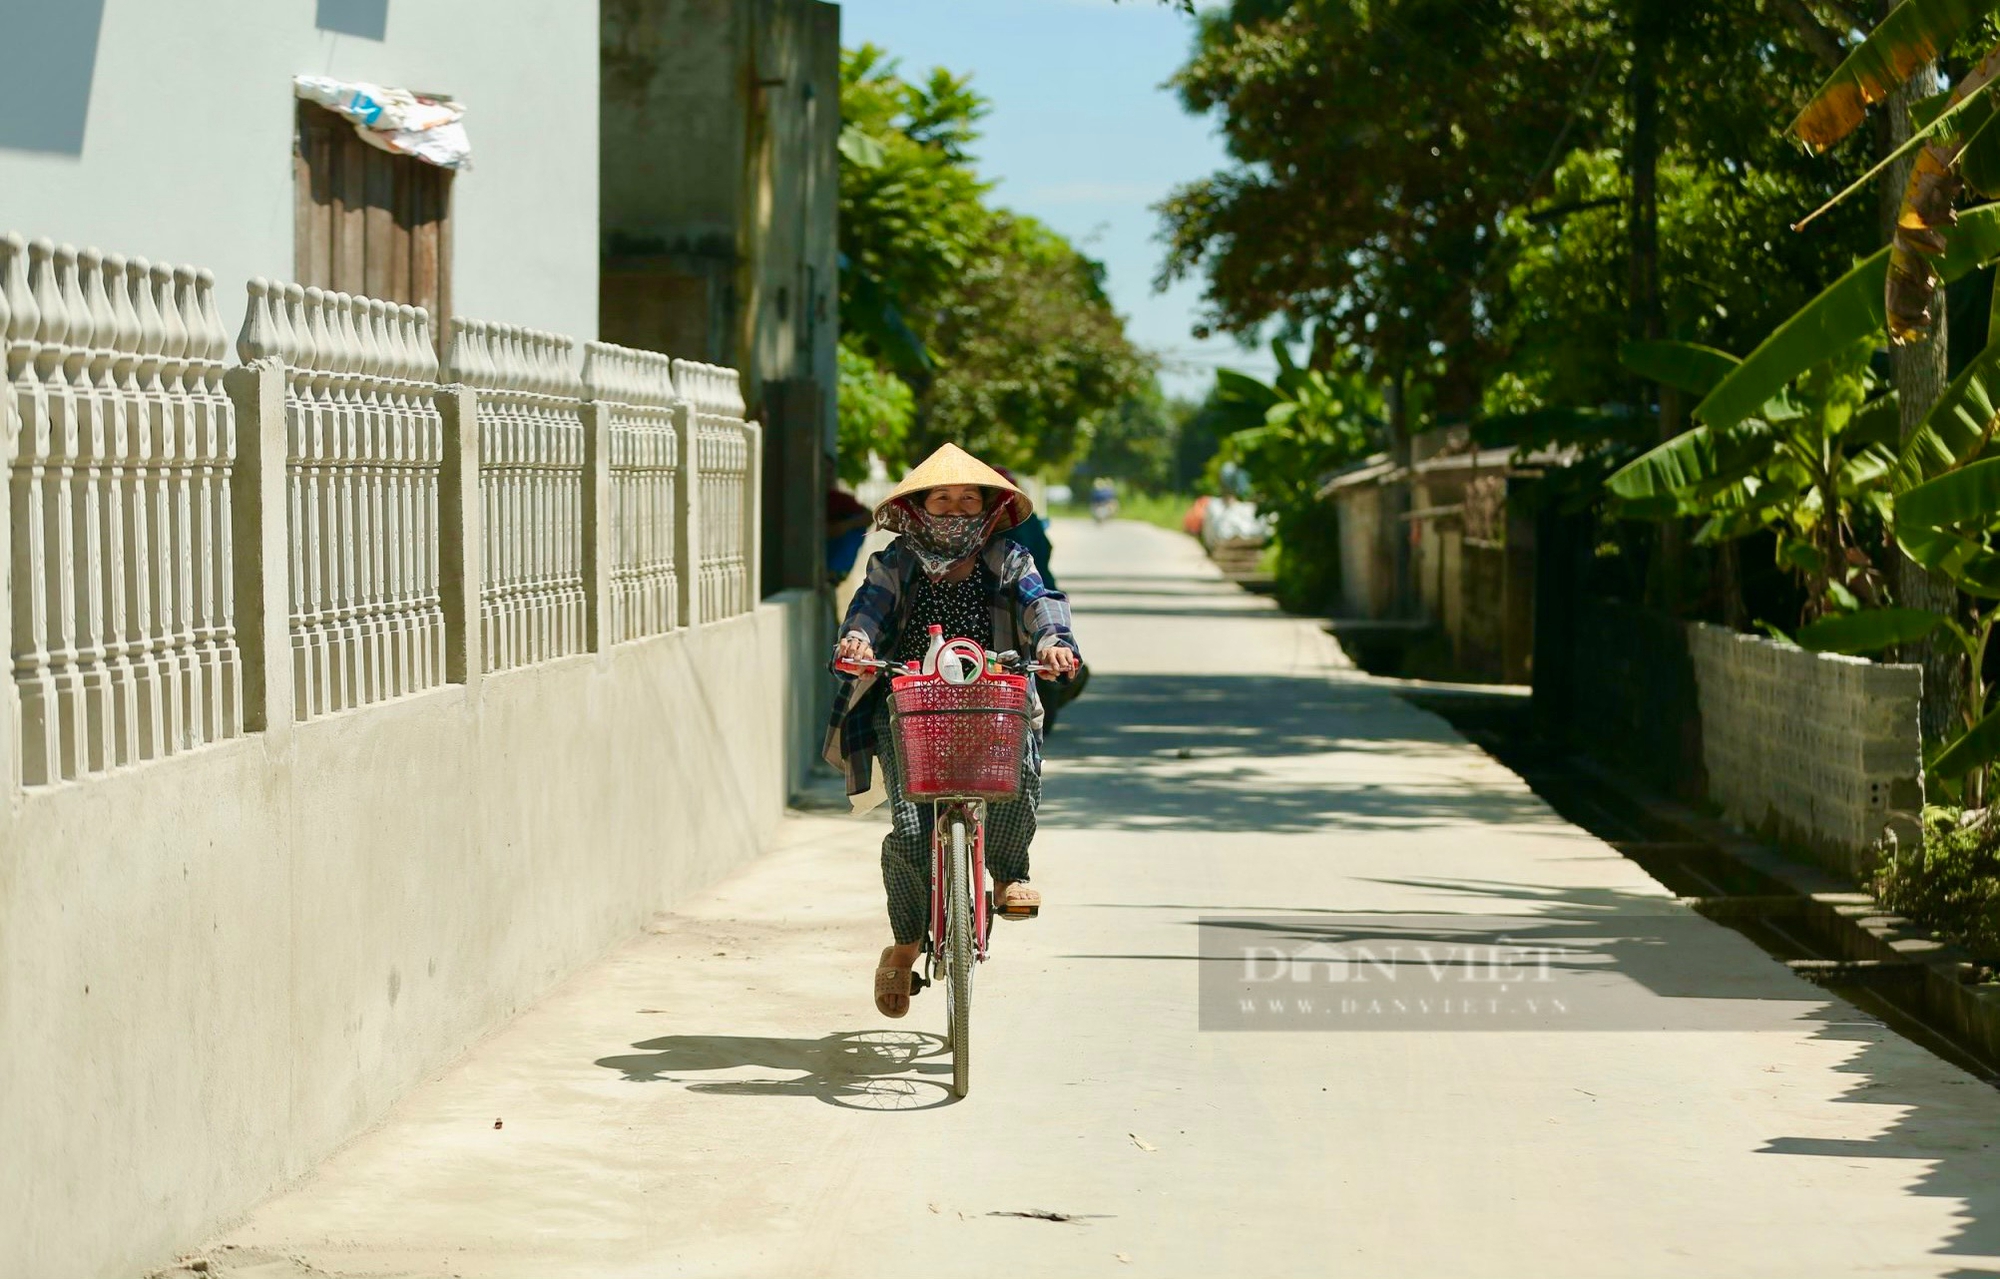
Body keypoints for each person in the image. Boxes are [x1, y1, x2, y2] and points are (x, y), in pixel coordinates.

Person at [824, 443, 1082, 1018]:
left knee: (1017, 778)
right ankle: (905, 944)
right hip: (910, 702)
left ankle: (1010, 874)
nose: (955, 508)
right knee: (912, 831)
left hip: (995, 701)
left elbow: (1041, 604)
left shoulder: (1010, 558)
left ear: (988, 506)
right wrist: (859, 640)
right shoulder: (895, 561)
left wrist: (1053, 643)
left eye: (969, 498)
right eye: (942, 498)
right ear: (920, 506)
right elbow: (869, 607)